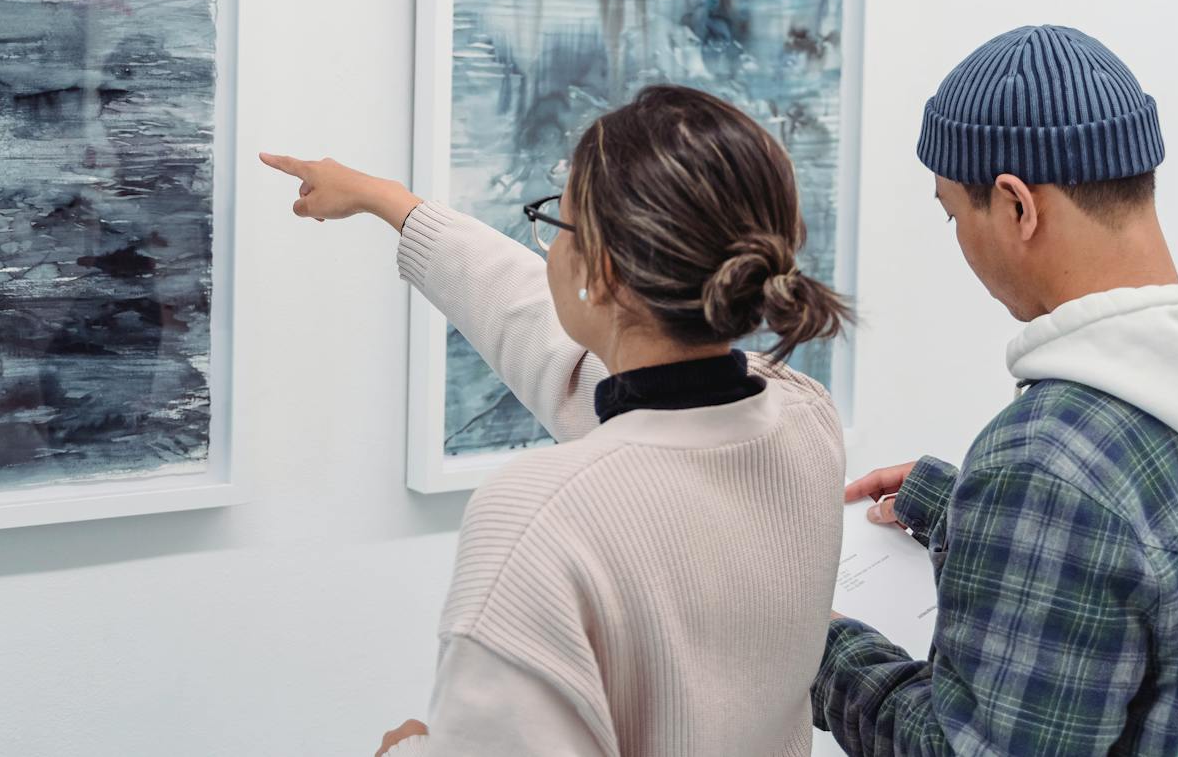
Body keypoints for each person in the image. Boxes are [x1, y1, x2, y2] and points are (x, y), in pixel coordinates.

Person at [265, 85, 851, 756]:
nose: (548, 251)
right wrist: (391, 203)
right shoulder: (805, 419)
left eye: (558, 225)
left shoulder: (539, 517)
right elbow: (560, 347)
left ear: (599, 271)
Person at [817, 25, 1178, 755]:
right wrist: (967, 512)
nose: (958, 242)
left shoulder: (1047, 462)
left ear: (1016, 205)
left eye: (952, 214)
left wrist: (821, 643)